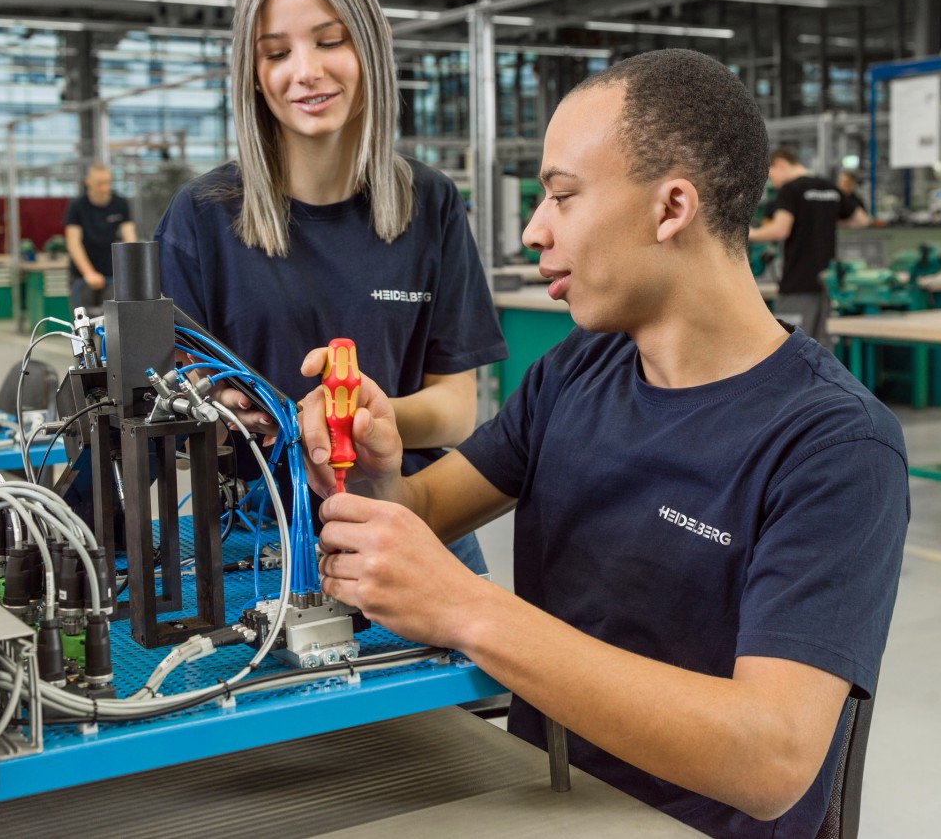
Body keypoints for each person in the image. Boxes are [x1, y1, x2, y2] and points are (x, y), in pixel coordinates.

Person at [299, 50, 909, 839]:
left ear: (672, 207)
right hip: (536, 791)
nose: (533, 228)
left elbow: (771, 760)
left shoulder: (835, 444)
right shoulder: (578, 370)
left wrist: (470, 611)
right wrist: (381, 468)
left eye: (561, 196)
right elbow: (422, 508)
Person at [153, 0, 506, 573]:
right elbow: (172, 415)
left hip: (406, 516)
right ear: (254, 75)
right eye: (276, 52)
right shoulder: (200, 220)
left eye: (330, 40)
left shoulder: (430, 203)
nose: (305, 71)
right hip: (253, 535)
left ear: (371, 46)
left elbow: (457, 410)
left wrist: (347, 422)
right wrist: (220, 412)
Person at [750, 148, 870, 347]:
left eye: (771, 175)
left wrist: (750, 233)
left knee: (787, 349)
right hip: (827, 286)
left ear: (781, 164)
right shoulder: (828, 187)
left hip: (797, 283)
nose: (773, 182)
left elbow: (780, 230)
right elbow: (861, 220)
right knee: (820, 350)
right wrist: (825, 219)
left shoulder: (790, 189)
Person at [65, 163, 135, 310]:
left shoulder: (120, 204)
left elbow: (130, 239)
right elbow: (73, 243)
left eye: (107, 183)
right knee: (83, 323)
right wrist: (89, 273)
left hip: (112, 275)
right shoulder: (77, 206)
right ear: (88, 182)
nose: (104, 188)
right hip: (82, 276)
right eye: (99, 183)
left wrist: (131, 269)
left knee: (112, 322)